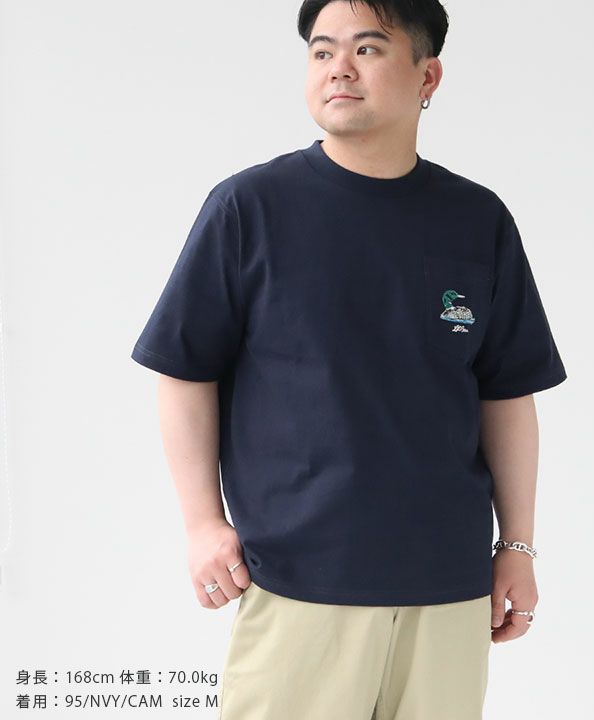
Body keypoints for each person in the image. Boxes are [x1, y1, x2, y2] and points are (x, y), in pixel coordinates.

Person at [130, 1, 568, 718]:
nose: (338, 67)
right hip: (298, 581)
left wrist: (516, 545)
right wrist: (203, 523)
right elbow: (184, 371)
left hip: (449, 587)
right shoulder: (251, 208)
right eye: (321, 50)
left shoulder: (477, 219)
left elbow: (507, 393)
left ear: (428, 76)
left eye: (367, 49)